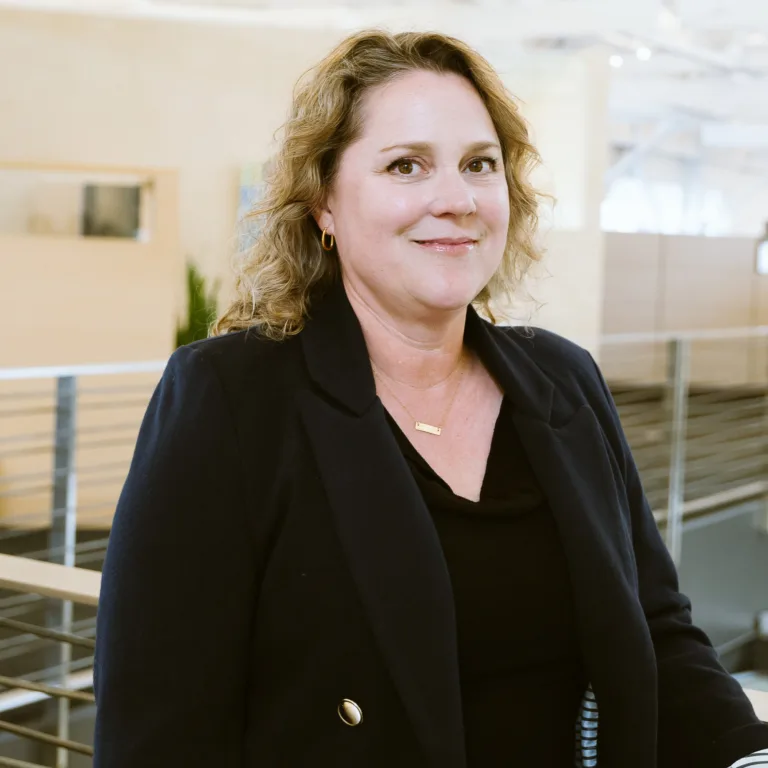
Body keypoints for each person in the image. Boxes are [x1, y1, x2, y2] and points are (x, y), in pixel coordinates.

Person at [93, 29, 768, 768]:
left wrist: (746, 753)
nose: (455, 199)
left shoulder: (563, 381)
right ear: (323, 202)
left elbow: (658, 629)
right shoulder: (229, 398)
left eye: (480, 164)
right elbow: (159, 733)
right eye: (406, 166)